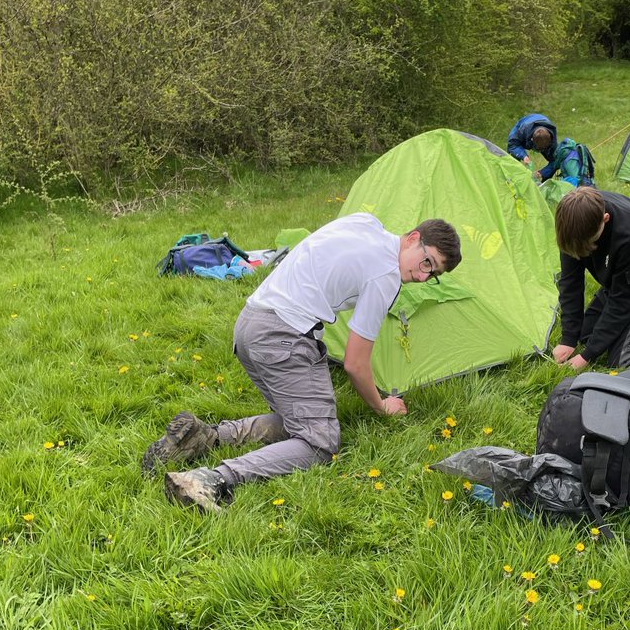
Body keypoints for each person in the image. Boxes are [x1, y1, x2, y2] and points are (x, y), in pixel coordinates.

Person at [143, 213, 462, 512]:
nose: (422, 275)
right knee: (321, 443)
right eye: (426, 262)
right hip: (282, 338)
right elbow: (355, 363)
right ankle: (213, 478)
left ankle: (205, 436)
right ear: (412, 238)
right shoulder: (387, 276)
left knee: (302, 423)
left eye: (432, 274)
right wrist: (381, 406)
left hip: (249, 325)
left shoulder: (366, 222)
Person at [551, 187, 630, 371]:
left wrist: (587, 356)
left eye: (591, 244)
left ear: (605, 219)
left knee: (622, 361)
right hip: (619, 282)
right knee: (586, 336)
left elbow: (624, 301)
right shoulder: (572, 224)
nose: (584, 252)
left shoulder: (629, 234)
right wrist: (568, 339)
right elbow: (571, 284)